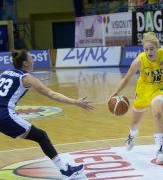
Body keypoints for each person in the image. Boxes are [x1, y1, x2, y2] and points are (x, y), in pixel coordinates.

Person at [0, 49, 94, 179]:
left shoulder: (5, 73)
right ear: (26, 63)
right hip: (4, 115)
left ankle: (65, 169)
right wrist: (75, 102)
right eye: (31, 58)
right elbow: (51, 94)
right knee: (41, 136)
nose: (34, 60)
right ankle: (65, 170)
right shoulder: (26, 78)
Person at [110, 32, 163, 164]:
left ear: (157, 47)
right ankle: (132, 135)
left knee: (157, 113)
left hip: (160, 88)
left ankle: (159, 150)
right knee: (135, 122)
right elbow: (126, 78)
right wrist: (115, 92)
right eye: (146, 49)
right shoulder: (139, 60)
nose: (149, 52)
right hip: (143, 90)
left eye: (151, 49)